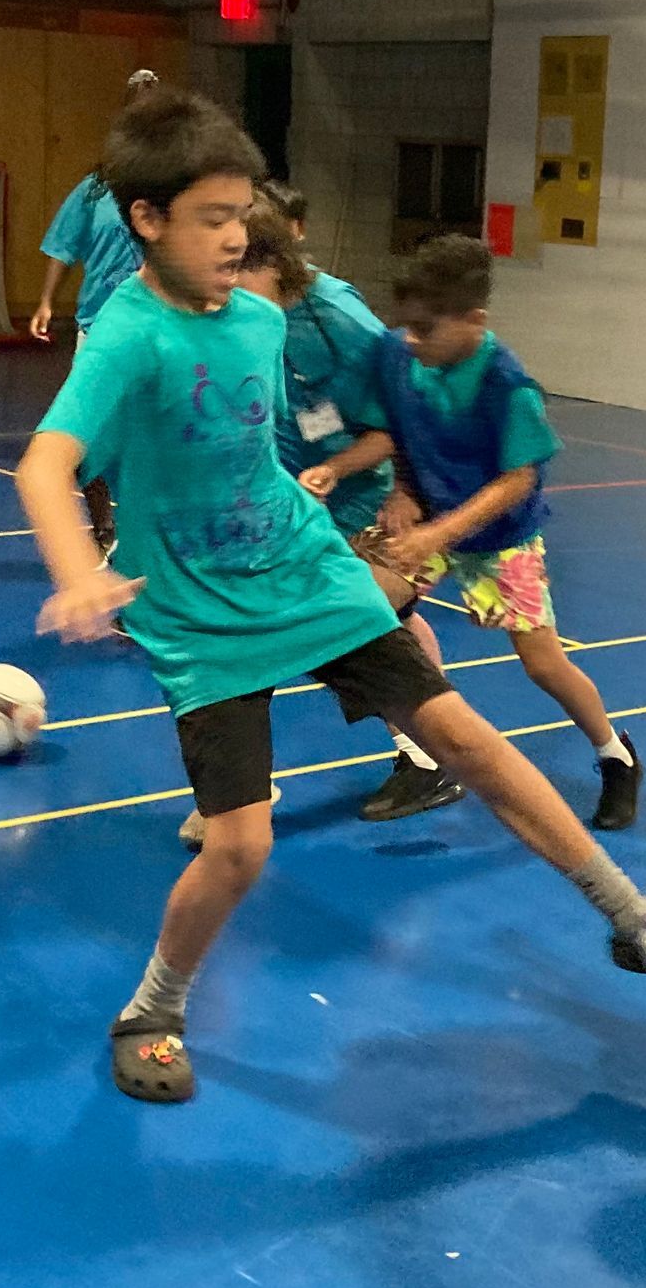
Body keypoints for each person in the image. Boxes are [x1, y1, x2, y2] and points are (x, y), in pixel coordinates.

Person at [13, 89, 646, 1105]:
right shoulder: (126, 336)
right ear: (146, 219)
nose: (237, 238)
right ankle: (153, 1007)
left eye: (244, 215)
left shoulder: (256, 322)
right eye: (211, 218)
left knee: (471, 742)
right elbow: (47, 463)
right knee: (237, 847)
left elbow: (258, 454)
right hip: (200, 614)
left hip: (307, 574)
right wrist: (79, 572)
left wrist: (356, 527)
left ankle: (630, 916)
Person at [298, 236, 645, 832]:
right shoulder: (399, 353)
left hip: (498, 539)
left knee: (543, 666)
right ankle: (426, 751)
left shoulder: (507, 386)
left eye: (426, 329)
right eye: (405, 326)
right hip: (429, 520)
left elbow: (517, 481)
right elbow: (394, 433)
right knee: (356, 607)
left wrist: (438, 534)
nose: (411, 339)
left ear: (474, 321)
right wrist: (385, 484)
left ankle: (616, 755)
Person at [175, 196, 462, 849]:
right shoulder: (237, 314)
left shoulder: (339, 321)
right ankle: (424, 755)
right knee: (379, 625)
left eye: (236, 270)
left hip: (361, 507)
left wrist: (398, 489)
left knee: (324, 627)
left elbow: (409, 415)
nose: (224, 289)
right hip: (284, 510)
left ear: (274, 263)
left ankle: (425, 757)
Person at [28, 67, 160, 551]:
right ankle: (104, 528)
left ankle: (156, 538)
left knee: (152, 439)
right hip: (98, 328)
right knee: (88, 437)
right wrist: (46, 301)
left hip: (159, 332)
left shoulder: (175, 188)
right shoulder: (94, 190)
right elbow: (63, 245)